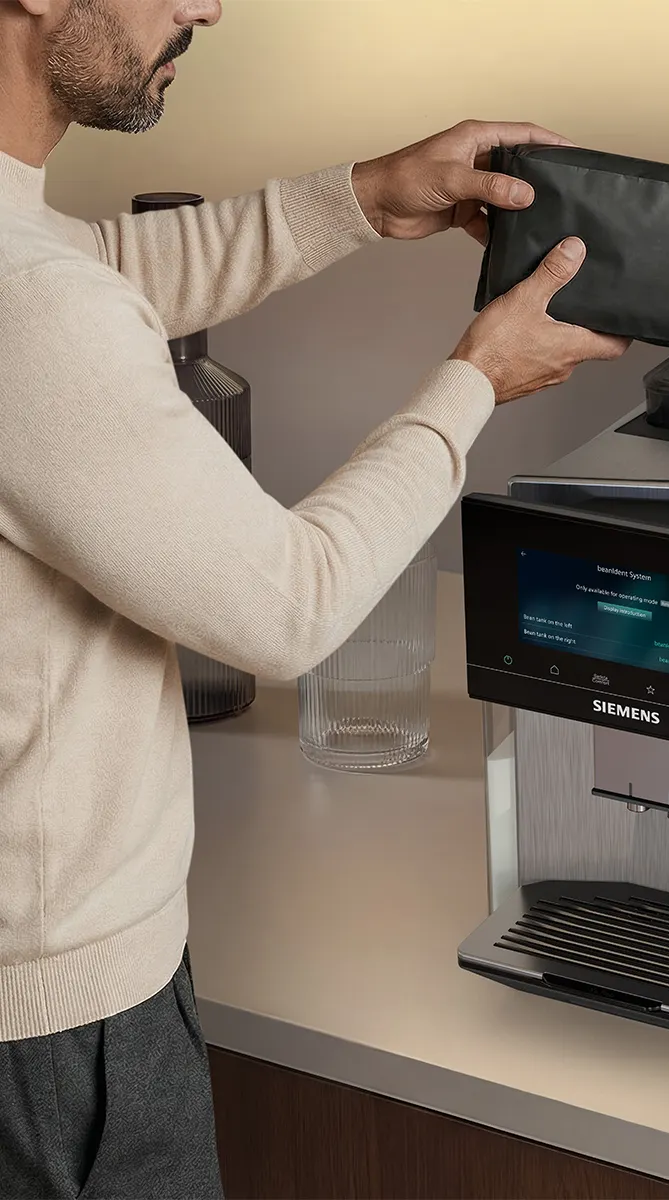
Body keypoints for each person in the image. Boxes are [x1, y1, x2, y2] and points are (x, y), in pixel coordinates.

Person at [0, 1, 631, 1193]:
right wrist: (475, 386)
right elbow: (287, 608)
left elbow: (85, 272)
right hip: (47, 1038)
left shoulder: (30, 268)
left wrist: (357, 199)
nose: (205, 6)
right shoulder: (30, 311)